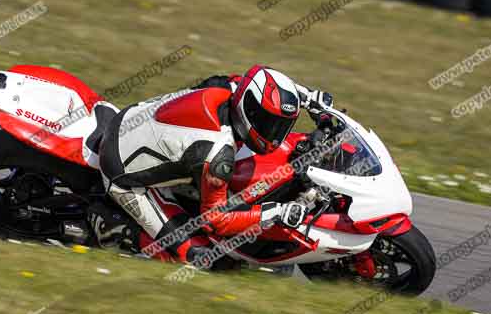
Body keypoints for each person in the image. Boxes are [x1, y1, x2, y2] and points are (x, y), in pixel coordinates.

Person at [93, 64, 333, 266]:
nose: (275, 135)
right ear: (248, 110)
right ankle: (115, 229)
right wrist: (276, 212)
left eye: (281, 126)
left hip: (133, 119)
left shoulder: (232, 88)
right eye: (269, 124)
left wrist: (308, 97)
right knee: (204, 257)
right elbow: (215, 221)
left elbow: (256, 82)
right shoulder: (219, 154)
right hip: (122, 174)